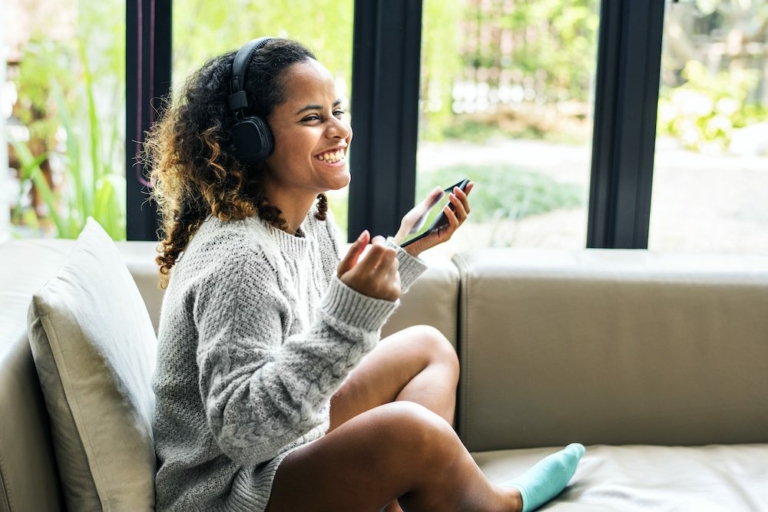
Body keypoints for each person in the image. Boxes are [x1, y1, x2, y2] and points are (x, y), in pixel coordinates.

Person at [145, 36, 584, 512]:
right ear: (253, 138)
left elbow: (317, 356)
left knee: (429, 347)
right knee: (411, 431)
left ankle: (398, 495)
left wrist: (404, 250)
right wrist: (348, 321)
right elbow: (245, 434)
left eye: (338, 111)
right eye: (313, 118)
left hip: (286, 449)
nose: (339, 130)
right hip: (232, 493)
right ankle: (500, 504)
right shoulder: (240, 259)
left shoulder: (310, 221)